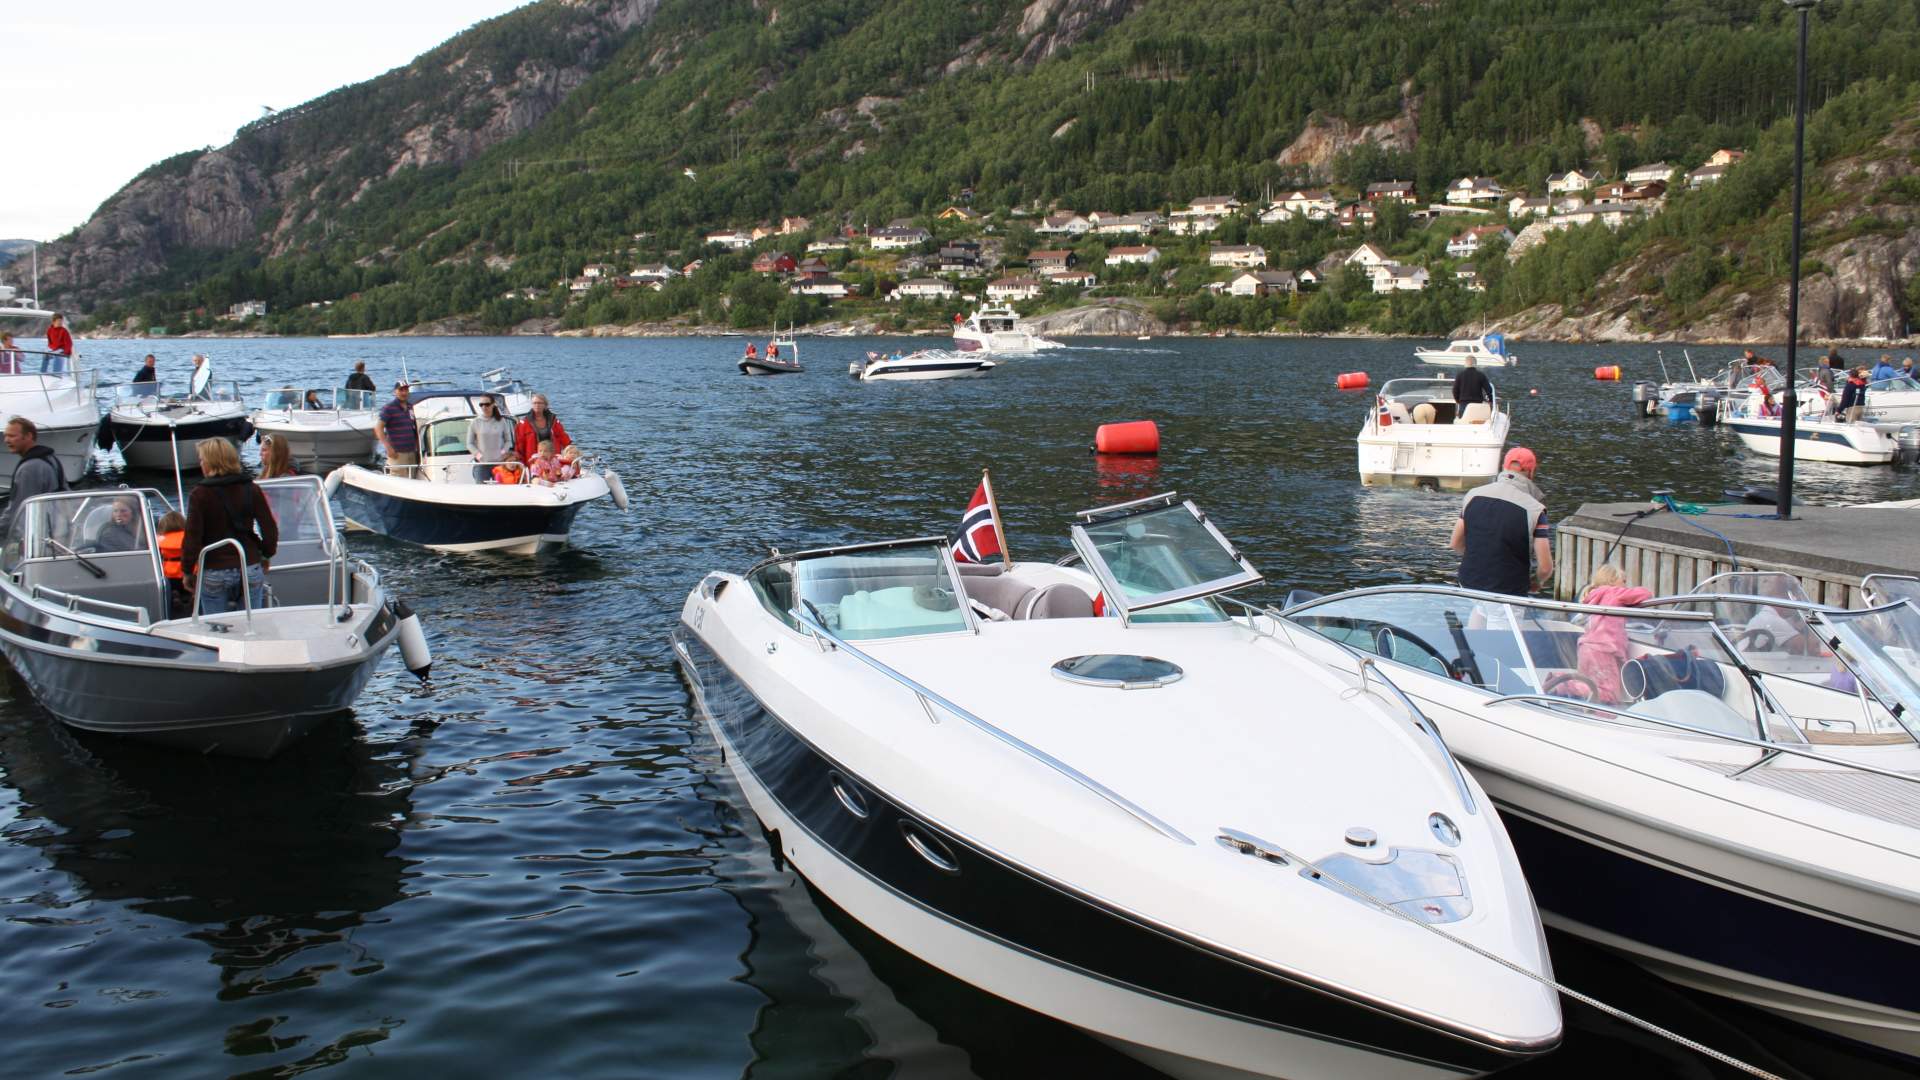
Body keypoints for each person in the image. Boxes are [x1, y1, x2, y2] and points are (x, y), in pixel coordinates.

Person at [180, 438, 277, 616]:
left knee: (217, 626)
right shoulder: (251, 488)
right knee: (251, 623)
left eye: (202, 460)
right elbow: (269, 529)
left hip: (215, 569)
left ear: (210, 463)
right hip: (249, 564)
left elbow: (192, 538)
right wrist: (265, 554)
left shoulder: (200, 495)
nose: (201, 464)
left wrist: (187, 570)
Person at [1449, 446, 1552, 597]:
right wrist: (1537, 582)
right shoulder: (1535, 510)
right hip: (1509, 592)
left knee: (1479, 614)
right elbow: (1545, 568)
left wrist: (1482, 561)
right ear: (1531, 473)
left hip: (1469, 584)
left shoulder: (1472, 496)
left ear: (1503, 467)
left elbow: (1455, 543)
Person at [1576, 564, 1652, 704]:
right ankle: (1564, 686)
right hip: (1603, 651)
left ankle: (1565, 684)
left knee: (1590, 687)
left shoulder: (1593, 595)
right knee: (1608, 694)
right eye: (1623, 581)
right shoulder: (1614, 592)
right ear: (1612, 581)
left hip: (1585, 648)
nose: (1625, 585)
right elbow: (1645, 594)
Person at [2, 416, 67, 532]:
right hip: (58, 527)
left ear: (28, 436)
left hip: (40, 534)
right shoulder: (51, 458)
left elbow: (18, 509)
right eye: (5, 436)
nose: (6, 440)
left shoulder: (29, 468)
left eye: (12, 436)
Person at [465, 396, 516, 481]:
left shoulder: (501, 421)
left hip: (499, 463)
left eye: (487, 404)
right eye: (481, 405)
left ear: (493, 405)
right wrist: (478, 455)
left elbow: (508, 441)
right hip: (481, 464)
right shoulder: (475, 422)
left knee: (501, 490)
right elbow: (469, 444)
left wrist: (502, 452)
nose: (484, 407)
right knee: (482, 491)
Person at [513, 393, 571, 463]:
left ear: (545, 405)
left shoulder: (553, 421)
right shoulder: (524, 423)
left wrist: (570, 451)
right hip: (533, 460)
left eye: (540, 403)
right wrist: (520, 461)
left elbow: (563, 437)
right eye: (534, 403)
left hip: (553, 459)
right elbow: (519, 445)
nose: (537, 405)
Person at [375, 381, 418, 475]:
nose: (404, 393)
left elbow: (414, 428)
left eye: (406, 390)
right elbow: (378, 429)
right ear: (395, 391)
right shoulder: (388, 408)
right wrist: (388, 448)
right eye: (401, 390)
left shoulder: (411, 407)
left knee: (413, 479)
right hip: (397, 453)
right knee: (399, 480)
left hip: (412, 452)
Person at [156, 510, 188, 618]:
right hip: (187, 574)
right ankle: (192, 598)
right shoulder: (189, 538)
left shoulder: (160, 540)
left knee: (171, 587)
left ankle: (175, 594)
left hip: (170, 575)